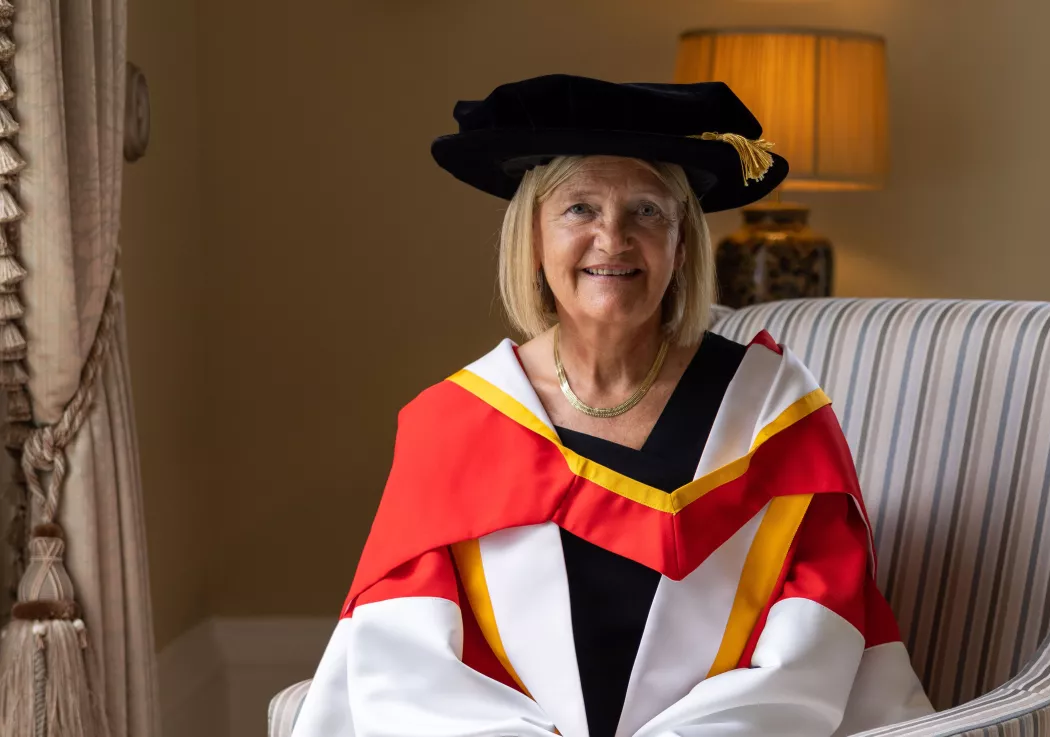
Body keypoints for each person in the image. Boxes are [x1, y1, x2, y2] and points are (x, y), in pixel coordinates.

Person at [293, 74, 934, 737]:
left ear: (682, 244)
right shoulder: (457, 423)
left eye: (648, 211)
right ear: (533, 238)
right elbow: (411, 658)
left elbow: (813, 642)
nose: (613, 238)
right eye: (579, 210)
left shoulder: (771, 411)